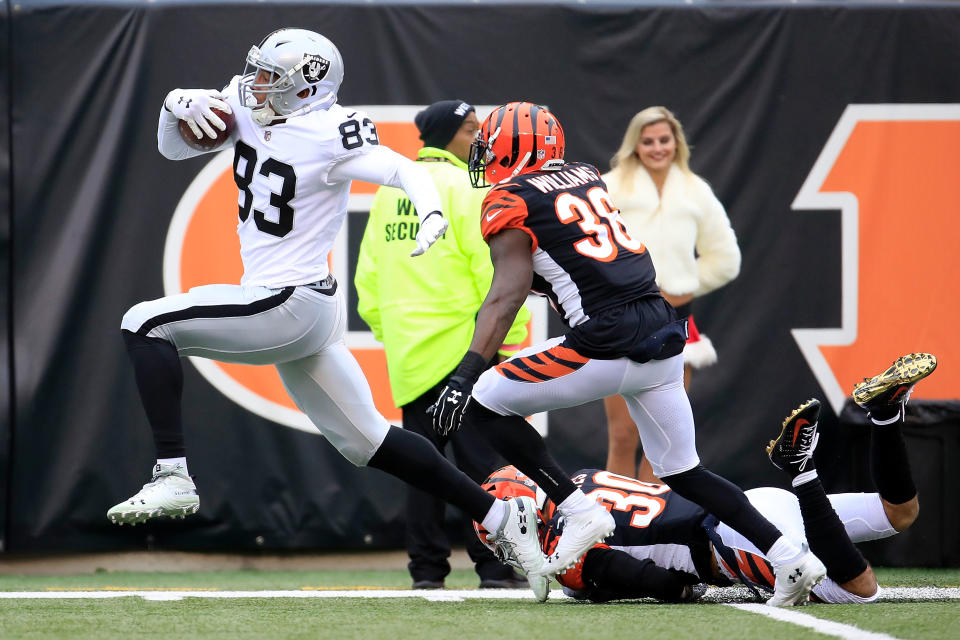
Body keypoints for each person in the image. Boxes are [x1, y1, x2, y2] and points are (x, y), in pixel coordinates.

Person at [107, 29, 548, 598]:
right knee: (370, 441)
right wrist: (177, 104)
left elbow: (404, 170)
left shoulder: (329, 130)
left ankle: (173, 476)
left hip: (291, 298)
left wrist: (432, 211)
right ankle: (497, 516)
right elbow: (175, 146)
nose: (255, 85)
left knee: (145, 322)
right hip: (296, 305)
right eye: (257, 72)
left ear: (307, 88)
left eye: (272, 78)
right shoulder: (247, 98)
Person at [429, 101, 824, 606]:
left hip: (605, 340)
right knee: (685, 471)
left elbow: (506, 294)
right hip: (662, 331)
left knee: (483, 402)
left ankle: (576, 508)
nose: (483, 150)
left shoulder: (511, 197)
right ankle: (792, 557)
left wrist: (464, 373)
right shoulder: (586, 176)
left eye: (491, 140)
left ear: (514, 145)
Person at [474, 352, 935, 604]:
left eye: (500, 535)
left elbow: (668, 586)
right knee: (900, 512)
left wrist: (593, 590)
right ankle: (886, 416)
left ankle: (803, 471)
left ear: (526, 514)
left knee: (860, 592)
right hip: (746, 505)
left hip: (727, 543)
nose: (505, 547)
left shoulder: (566, 548)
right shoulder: (584, 480)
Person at [355, 99, 531, 589]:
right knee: (485, 470)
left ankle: (426, 573)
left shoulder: (391, 192)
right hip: (465, 353)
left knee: (421, 469)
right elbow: (493, 270)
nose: (480, 136)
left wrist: (394, 332)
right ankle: (496, 570)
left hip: (410, 355)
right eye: (472, 128)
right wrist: (507, 342)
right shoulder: (469, 186)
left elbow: (367, 277)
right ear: (449, 136)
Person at [602, 106, 741, 482]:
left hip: (676, 322)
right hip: (621, 319)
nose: (657, 148)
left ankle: (655, 533)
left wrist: (680, 286)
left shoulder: (696, 190)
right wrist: (626, 286)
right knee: (622, 434)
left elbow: (727, 259)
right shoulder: (609, 187)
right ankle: (616, 526)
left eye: (664, 140)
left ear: (676, 141)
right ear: (635, 145)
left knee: (664, 441)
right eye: (647, 141)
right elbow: (589, 249)